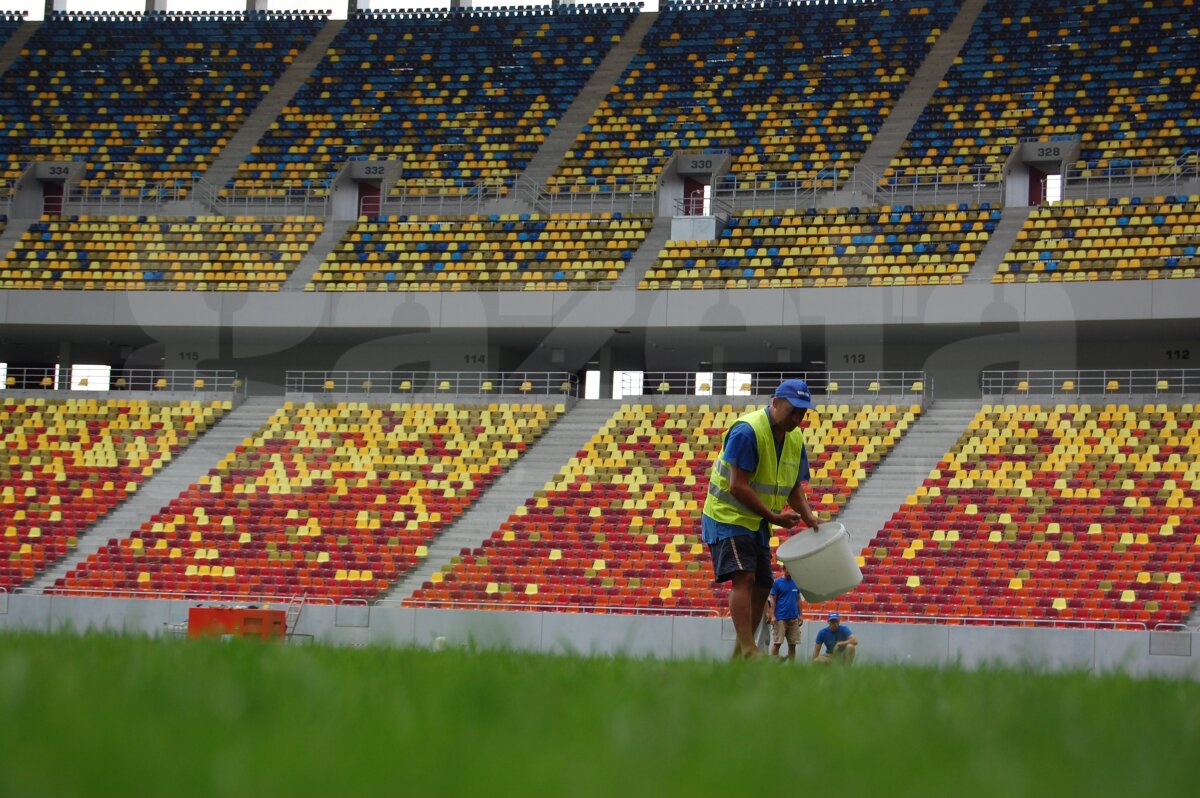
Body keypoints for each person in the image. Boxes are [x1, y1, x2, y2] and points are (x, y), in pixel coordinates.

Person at [701, 379, 821, 659]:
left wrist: (810, 517)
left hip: (757, 521)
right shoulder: (748, 431)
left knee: (764, 583)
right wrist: (775, 517)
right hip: (727, 515)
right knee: (744, 577)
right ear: (775, 403)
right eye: (792, 410)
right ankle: (747, 648)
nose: (796, 418)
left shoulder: (795, 439)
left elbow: (793, 488)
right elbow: (737, 486)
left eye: (802, 413)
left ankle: (739, 655)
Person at [768, 563, 802, 661]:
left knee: (793, 644)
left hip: (793, 618)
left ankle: (791, 667)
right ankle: (773, 664)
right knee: (777, 643)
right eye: (788, 569)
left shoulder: (796, 582)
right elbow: (772, 599)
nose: (790, 572)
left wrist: (801, 615)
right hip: (780, 618)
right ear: (784, 569)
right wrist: (773, 615)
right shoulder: (777, 583)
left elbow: (798, 599)